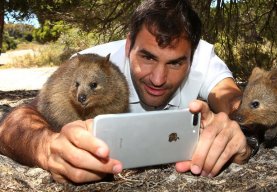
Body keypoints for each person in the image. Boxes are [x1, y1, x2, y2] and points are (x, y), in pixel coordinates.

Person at [0, 0, 255, 183]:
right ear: (128, 44)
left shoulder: (203, 59)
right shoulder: (90, 64)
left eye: (176, 62)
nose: (158, 79)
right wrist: (46, 146)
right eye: (147, 57)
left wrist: (239, 135)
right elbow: (15, 122)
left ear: (193, 55)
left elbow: (234, 101)